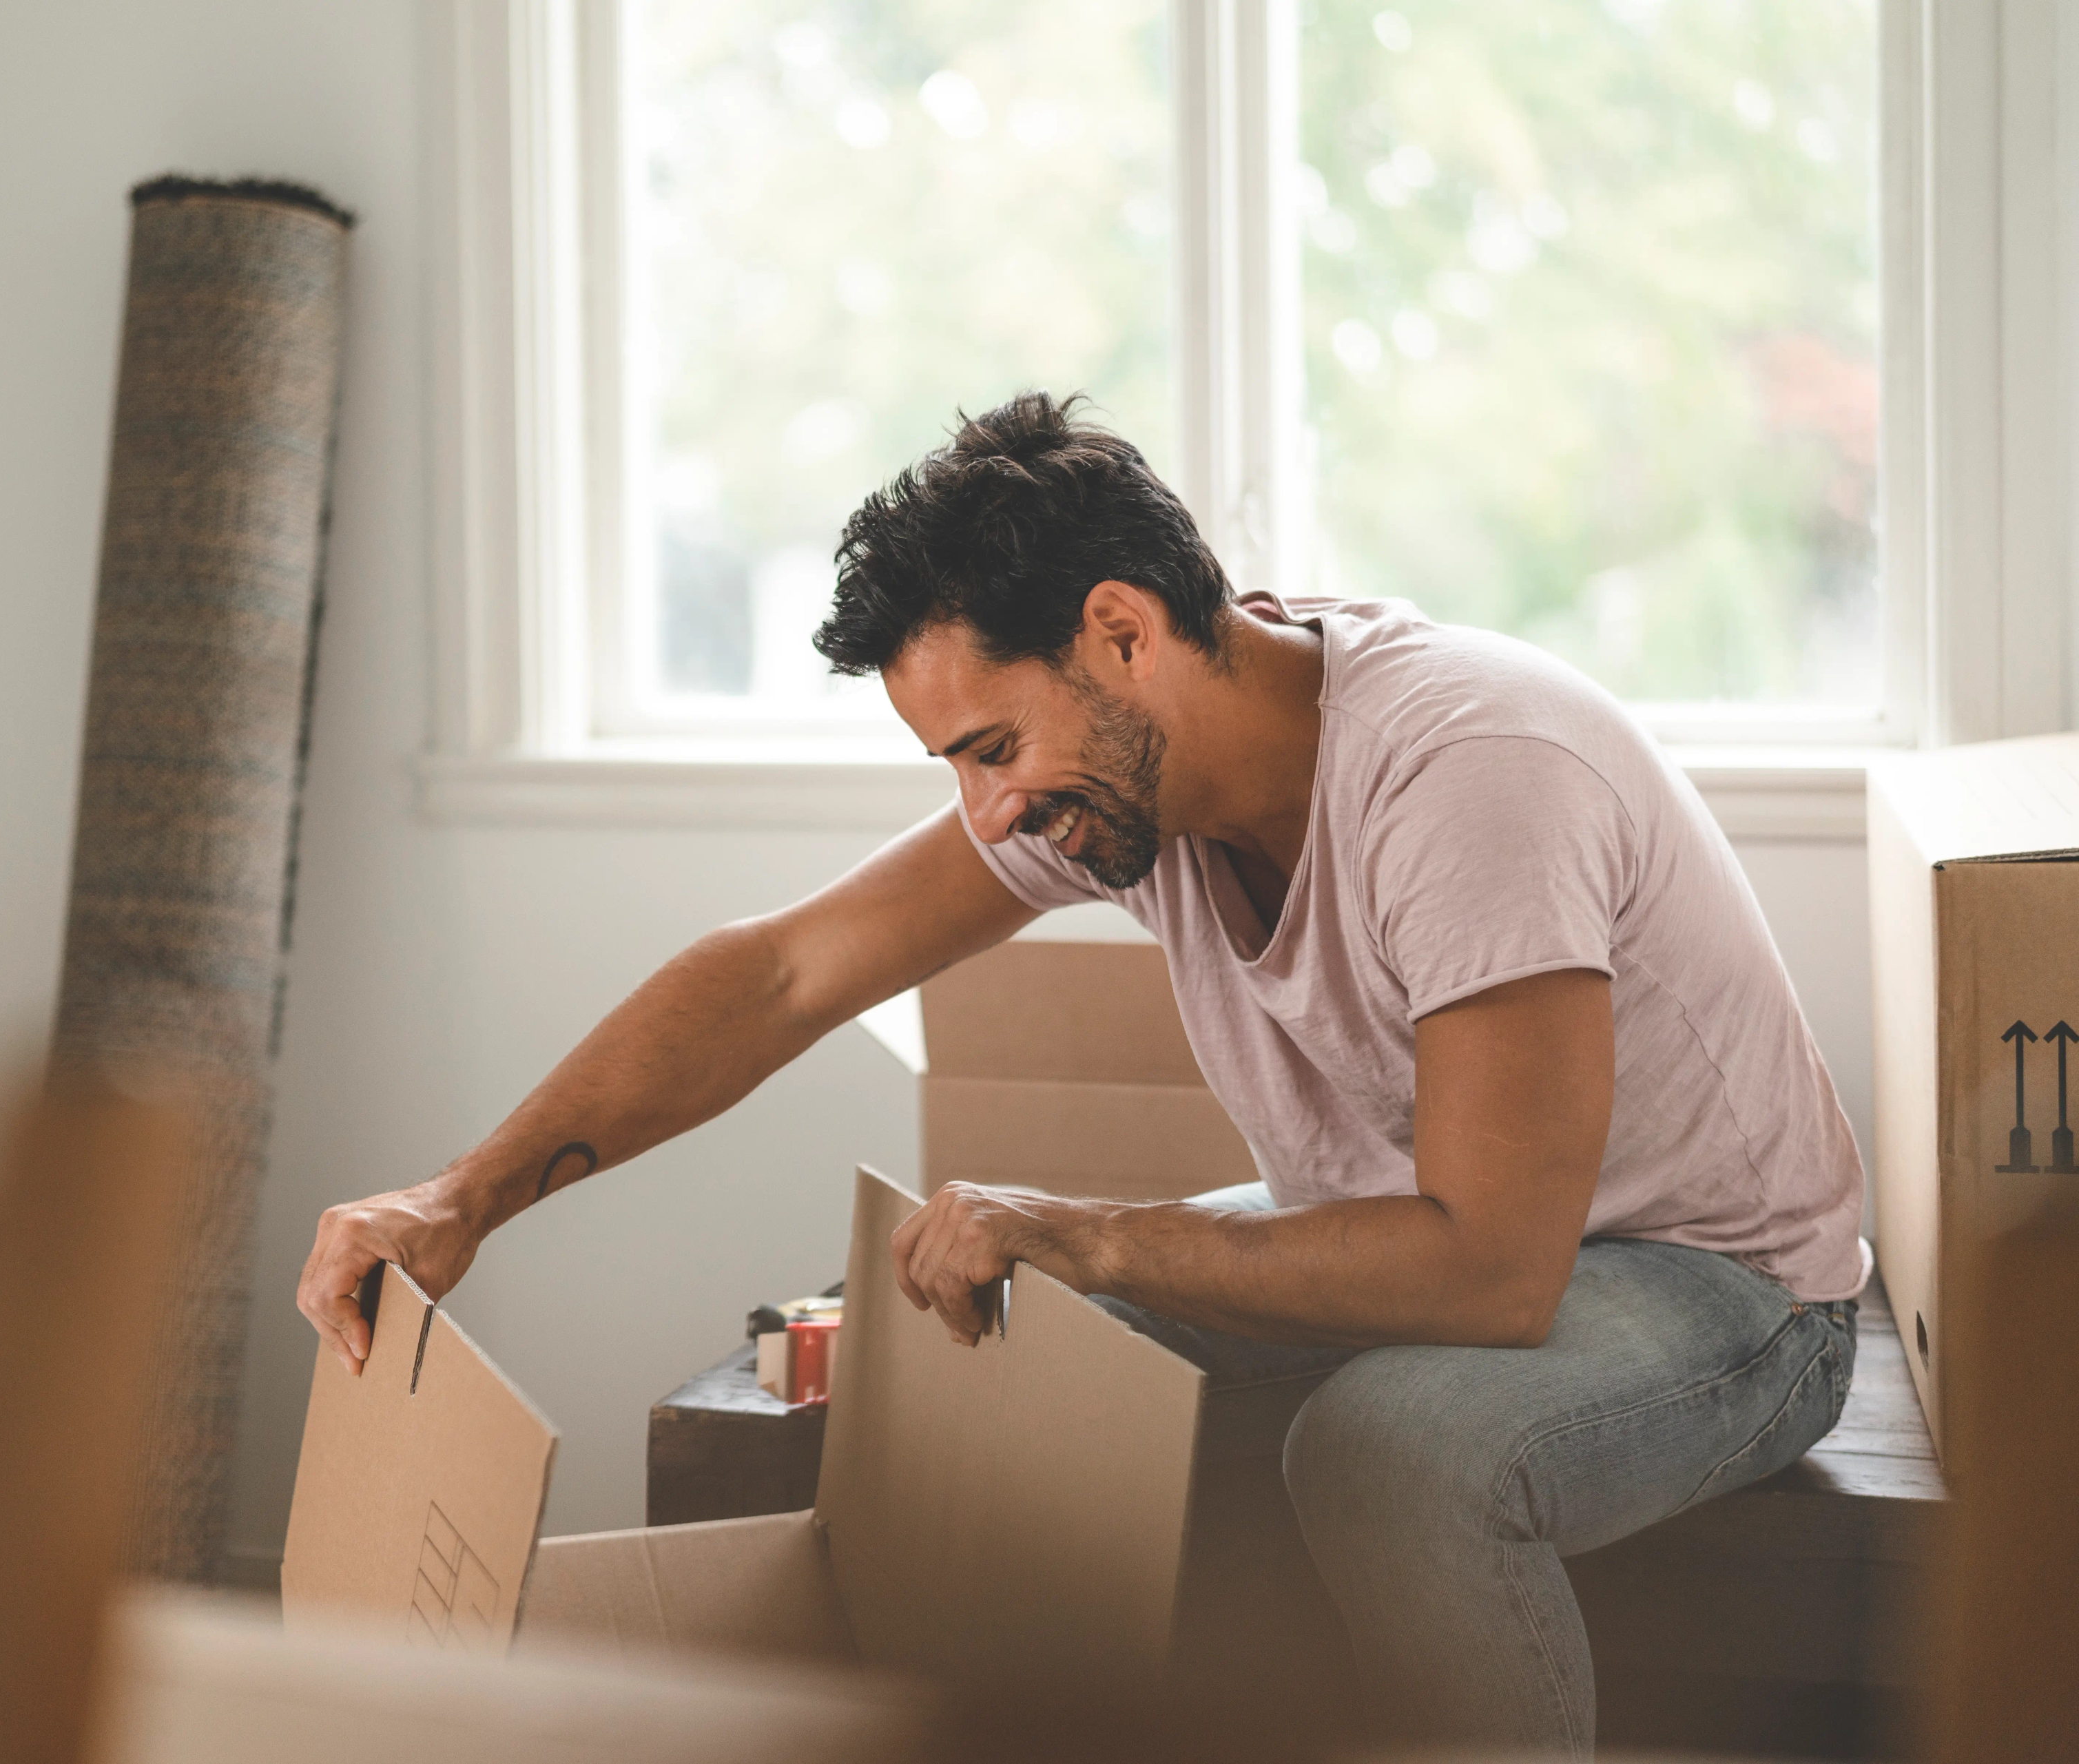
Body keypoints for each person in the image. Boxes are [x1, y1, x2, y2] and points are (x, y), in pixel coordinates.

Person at [297, 391, 1866, 1756]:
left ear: (1123, 631)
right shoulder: (1133, 774)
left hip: (1718, 1288)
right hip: (1426, 1224)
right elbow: (783, 971)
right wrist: (466, 1196)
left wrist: (1086, 1223)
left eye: (992, 750)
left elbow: (1491, 1272)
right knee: (1020, 1352)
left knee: (1389, 1450)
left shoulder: (1469, 776)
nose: (986, 816)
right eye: (956, 770)